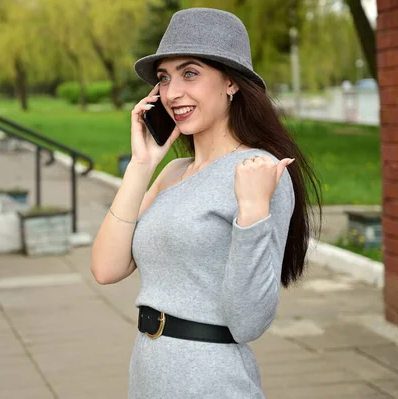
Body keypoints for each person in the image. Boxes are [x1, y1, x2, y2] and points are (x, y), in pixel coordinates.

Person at [91, 7, 321, 399]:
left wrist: (251, 212)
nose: (172, 92)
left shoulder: (258, 172)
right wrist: (142, 165)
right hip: (149, 371)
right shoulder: (173, 172)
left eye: (190, 73)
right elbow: (106, 268)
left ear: (231, 82)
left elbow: (248, 322)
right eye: (164, 78)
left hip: (209, 381)